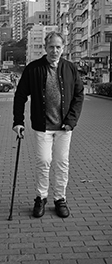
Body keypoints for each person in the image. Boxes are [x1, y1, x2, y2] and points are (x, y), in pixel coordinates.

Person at [12, 31, 84, 218]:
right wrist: (18, 122)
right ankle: (41, 197)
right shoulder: (33, 69)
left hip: (64, 128)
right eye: (51, 46)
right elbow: (20, 96)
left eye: (58, 47)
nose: (54, 50)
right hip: (42, 127)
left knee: (61, 163)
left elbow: (79, 95)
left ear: (63, 48)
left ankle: (60, 199)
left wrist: (71, 121)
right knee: (43, 162)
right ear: (45, 48)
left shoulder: (70, 69)